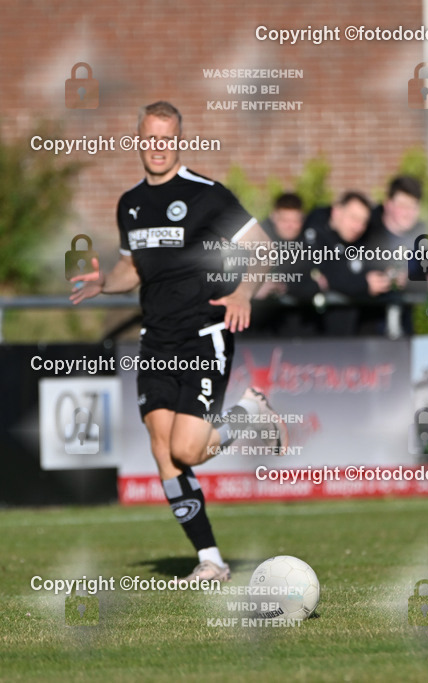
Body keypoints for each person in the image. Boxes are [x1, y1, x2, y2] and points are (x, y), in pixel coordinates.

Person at [69, 101, 288, 584]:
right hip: (155, 341)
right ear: (138, 140)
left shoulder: (207, 195)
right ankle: (211, 559)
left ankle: (251, 412)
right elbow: (132, 269)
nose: (159, 148)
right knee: (162, 449)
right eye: (151, 139)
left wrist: (243, 292)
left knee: (187, 450)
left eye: (167, 140)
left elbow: (262, 248)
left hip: (203, 335)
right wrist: (105, 282)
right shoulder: (130, 203)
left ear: (179, 142)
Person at [362, 176, 428, 337]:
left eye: (413, 207)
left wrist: (409, 281)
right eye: (403, 206)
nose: (408, 213)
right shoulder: (366, 229)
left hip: (405, 330)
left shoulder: (422, 236)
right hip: (366, 330)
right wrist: (369, 279)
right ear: (388, 204)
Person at [301, 191, 380, 335]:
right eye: (354, 218)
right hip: (313, 333)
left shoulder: (363, 241)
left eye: (363, 222)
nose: (358, 227)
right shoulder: (312, 234)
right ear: (336, 212)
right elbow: (320, 272)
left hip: (352, 336)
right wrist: (363, 283)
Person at [249, 192, 321, 337]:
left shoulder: (311, 241)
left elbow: (314, 284)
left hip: (302, 326)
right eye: (285, 220)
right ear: (274, 216)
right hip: (260, 328)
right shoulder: (256, 240)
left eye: (295, 221)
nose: (290, 226)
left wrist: (280, 284)